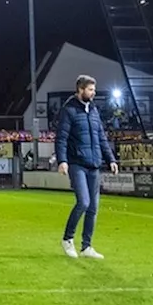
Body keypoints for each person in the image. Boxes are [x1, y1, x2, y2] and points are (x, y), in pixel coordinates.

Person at [54, 75, 119, 259]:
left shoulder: (94, 111)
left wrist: (111, 159)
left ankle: (87, 247)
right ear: (81, 90)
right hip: (77, 163)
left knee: (93, 207)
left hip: (94, 164)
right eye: (90, 89)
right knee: (84, 202)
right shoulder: (69, 111)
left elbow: (101, 138)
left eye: (94, 89)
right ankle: (68, 239)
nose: (93, 93)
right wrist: (62, 161)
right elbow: (62, 138)